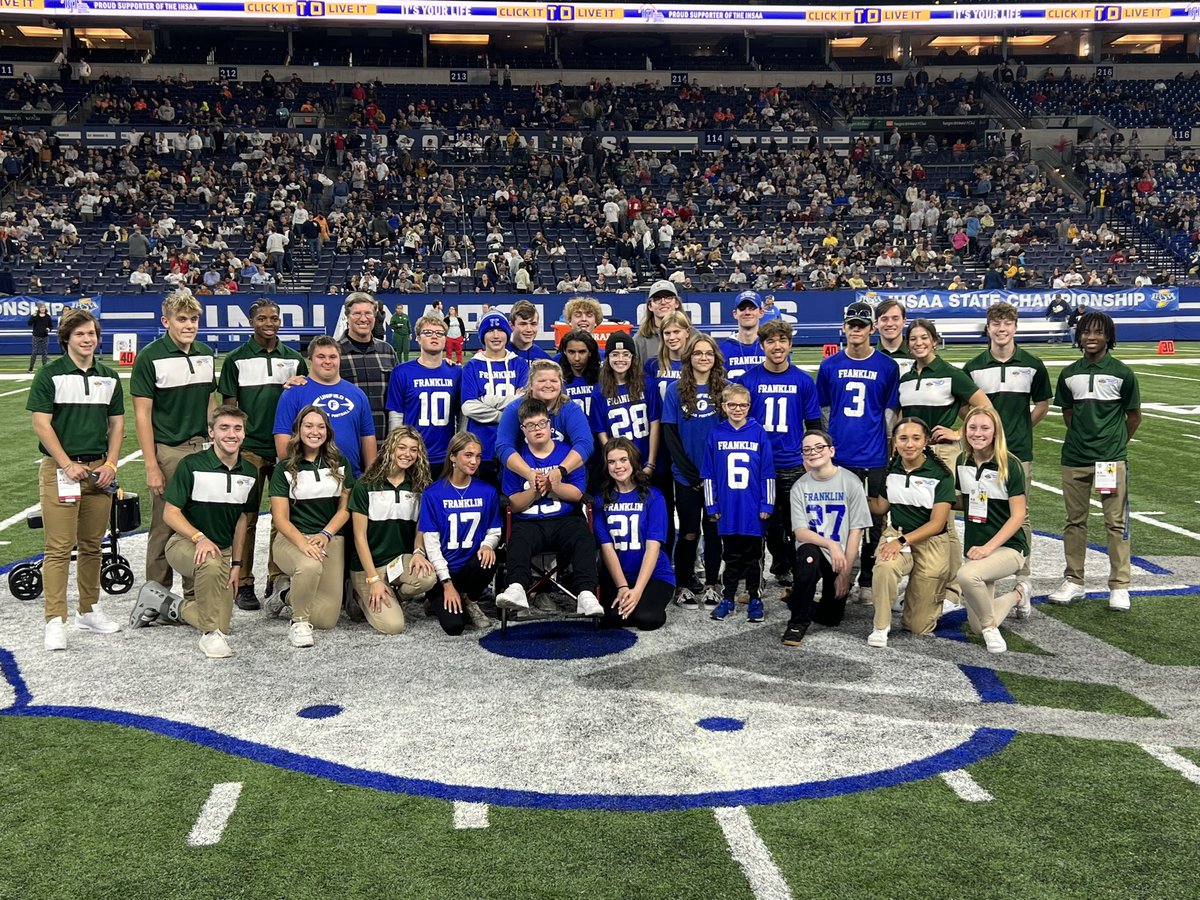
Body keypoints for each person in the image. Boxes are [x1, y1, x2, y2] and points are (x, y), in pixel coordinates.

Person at [27, 307, 125, 650]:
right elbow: (42, 424)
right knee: (57, 548)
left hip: (98, 472)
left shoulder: (109, 376)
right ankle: (55, 619)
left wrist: (111, 463)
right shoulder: (50, 375)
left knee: (92, 546)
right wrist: (66, 463)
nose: (88, 339)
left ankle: (89, 609)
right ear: (66, 338)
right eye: (80, 334)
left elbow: (116, 425)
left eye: (92, 334)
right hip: (61, 472)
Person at [129, 406, 260, 659]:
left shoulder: (249, 472)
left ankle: (164, 602)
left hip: (222, 551)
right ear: (211, 433)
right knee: (209, 567)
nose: (231, 434)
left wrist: (236, 564)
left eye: (237, 428)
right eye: (224, 428)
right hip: (184, 544)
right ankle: (208, 636)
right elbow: (170, 513)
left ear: (244, 434)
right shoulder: (192, 464)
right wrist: (198, 537)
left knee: (224, 623)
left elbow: (242, 520)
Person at [217, 298, 308, 611]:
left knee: (281, 518)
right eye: (262, 319)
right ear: (251, 322)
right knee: (247, 517)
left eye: (274, 318)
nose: (269, 323)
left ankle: (275, 576)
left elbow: (305, 404)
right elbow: (229, 408)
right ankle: (243, 582)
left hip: (287, 450)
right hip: (251, 450)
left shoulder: (295, 359)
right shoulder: (236, 359)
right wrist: (234, 447)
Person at [1048, 311, 1141, 610]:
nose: (1091, 337)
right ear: (1079, 335)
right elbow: (1068, 415)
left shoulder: (1123, 373)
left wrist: (1112, 444)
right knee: (1074, 522)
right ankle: (1074, 581)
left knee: (1115, 523)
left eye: (1098, 332)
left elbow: (1133, 417)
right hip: (1074, 457)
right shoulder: (1068, 373)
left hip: (1109, 460)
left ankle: (1120, 585)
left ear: (1108, 337)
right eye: (1086, 331)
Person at [898, 318, 990, 606]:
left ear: (934, 341)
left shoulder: (951, 373)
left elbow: (985, 407)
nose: (918, 343)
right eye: (913, 339)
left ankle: (951, 590)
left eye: (924, 337)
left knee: (944, 521)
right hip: (912, 454)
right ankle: (922, 584)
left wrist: (959, 432)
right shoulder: (906, 377)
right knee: (919, 518)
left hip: (941, 454)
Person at [131, 291, 216, 591]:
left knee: (199, 521)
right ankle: (157, 592)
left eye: (193, 319)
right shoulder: (150, 357)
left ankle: (194, 591)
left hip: (202, 448)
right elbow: (142, 415)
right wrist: (151, 465)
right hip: (169, 449)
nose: (189, 325)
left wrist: (218, 439)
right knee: (165, 524)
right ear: (166, 321)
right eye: (182, 319)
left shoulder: (205, 352)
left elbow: (209, 400)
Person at [816, 301, 900, 607]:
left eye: (861, 325)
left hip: (874, 455)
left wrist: (887, 443)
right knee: (837, 520)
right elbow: (825, 411)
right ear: (844, 328)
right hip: (841, 456)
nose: (856, 329)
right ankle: (841, 574)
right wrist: (830, 447)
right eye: (851, 324)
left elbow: (890, 410)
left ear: (872, 329)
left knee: (875, 520)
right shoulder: (829, 366)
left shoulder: (887, 366)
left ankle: (867, 578)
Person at [963, 302, 1051, 579]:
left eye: (1007, 323)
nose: (1002, 329)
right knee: (977, 509)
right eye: (996, 324)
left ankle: (1023, 580)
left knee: (1020, 516)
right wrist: (980, 434)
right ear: (988, 328)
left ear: (1015, 326)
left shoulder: (1032, 365)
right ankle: (977, 569)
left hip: (1018, 451)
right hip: (982, 454)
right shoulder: (974, 367)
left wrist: (1022, 428)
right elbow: (965, 409)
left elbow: (1042, 404)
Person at [495, 398, 603, 616]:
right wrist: (534, 491)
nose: (537, 429)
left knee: (583, 536)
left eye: (542, 423)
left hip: (564, 519)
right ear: (523, 430)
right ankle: (516, 588)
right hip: (529, 521)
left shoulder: (568, 455)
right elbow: (513, 505)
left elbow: (577, 494)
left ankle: (586, 594)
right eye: (531, 425)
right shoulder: (517, 460)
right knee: (517, 540)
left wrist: (553, 485)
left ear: (550, 425)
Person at [741, 318, 822, 589]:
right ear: (762, 345)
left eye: (782, 340)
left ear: (790, 343)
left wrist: (813, 460)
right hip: (761, 465)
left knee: (795, 522)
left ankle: (795, 569)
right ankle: (774, 567)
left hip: (793, 464)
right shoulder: (749, 380)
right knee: (767, 523)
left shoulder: (802, 380)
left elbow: (813, 425)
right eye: (771, 341)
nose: (777, 346)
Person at [866, 417, 955, 647]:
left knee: (918, 627)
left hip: (931, 542)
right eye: (903, 438)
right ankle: (881, 625)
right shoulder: (892, 467)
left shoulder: (941, 474)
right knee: (885, 566)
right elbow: (880, 508)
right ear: (894, 441)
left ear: (926, 442)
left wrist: (901, 541)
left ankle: (924, 599)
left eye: (916, 438)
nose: (909, 444)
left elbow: (937, 524)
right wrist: (855, 492)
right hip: (897, 533)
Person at [268, 405, 353, 647]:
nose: (314, 431)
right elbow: (281, 519)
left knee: (326, 619)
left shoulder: (341, 462)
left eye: (320, 426)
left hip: (330, 538)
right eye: (308, 426)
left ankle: (285, 594)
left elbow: (344, 509)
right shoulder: (284, 468)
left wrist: (325, 534)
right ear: (298, 430)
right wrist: (304, 543)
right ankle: (299, 622)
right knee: (309, 564)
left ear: (328, 431)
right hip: (293, 538)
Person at [954, 406, 1033, 653]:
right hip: (976, 548)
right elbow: (963, 500)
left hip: (1008, 547)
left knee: (967, 576)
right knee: (974, 625)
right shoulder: (962, 460)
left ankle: (991, 630)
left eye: (984, 428)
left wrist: (990, 547)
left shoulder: (1010, 464)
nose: (978, 433)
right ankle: (1019, 594)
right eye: (972, 427)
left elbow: (1019, 514)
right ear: (965, 430)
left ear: (996, 431)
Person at [784, 430, 872, 647]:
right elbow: (801, 532)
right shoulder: (800, 487)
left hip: (841, 556)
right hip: (815, 546)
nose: (813, 452)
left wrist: (845, 572)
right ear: (803, 456)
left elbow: (856, 531)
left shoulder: (851, 482)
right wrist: (830, 543)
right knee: (808, 560)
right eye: (807, 449)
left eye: (818, 447)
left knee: (831, 618)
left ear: (831, 450)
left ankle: (797, 598)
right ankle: (797, 623)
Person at [348, 426, 439, 632]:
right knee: (393, 626)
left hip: (397, 562)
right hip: (367, 567)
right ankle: (356, 593)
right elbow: (359, 537)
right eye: (402, 447)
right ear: (390, 448)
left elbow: (420, 529)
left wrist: (418, 552)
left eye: (413, 450)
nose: (407, 454)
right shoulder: (366, 485)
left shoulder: (419, 486)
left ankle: (394, 595)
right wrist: (373, 580)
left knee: (427, 576)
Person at [662, 332, 727, 609]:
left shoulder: (725, 389)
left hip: (717, 475)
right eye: (698, 353)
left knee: (713, 530)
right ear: (689, 358)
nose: (703, 357)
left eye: (708, 353)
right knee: (688, 532)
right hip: (686, 476)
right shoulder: (676, 391)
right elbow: (670, 434)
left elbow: (729, 434)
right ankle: (683, 583)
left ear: (715, 358)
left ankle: (713, 583)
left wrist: (711, 473)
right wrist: (692, 474)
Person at [702, 384, 775, 623]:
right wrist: (712, 506)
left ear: (749, 406)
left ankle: (755, 598)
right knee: (730, 557)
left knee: (753, 557)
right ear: (723, 406)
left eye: (742, 405)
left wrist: (767, 505)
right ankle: (728, 598)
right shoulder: (716, 433)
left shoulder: (758, 432)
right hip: (728, 508)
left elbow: (767, 472)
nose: (737, 409)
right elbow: (709, 474)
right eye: (732, 404)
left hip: (753, 509)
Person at [417, 432, 502, 635]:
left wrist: (488, 544)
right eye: (468, 455)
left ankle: (470, 600)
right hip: (442, 572)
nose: (474, 461)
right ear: (453, 457)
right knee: (455, 627)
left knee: (489, 557)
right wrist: (446, 584)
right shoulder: (433, 493)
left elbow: (494, 529)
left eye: (478, 456)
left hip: (470, 568)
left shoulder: (487, 491)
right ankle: (436, 600)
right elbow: (431, 544)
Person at [594, 438, 674, 631]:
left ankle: (645, 601)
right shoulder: (600, 500)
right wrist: (622, 587)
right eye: (612, 462)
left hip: (655, 575)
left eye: (623, 459)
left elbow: (653, 548)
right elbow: (606, 548)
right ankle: (631, 600)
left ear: (633, 461)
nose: (618, 466)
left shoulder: (654, 496)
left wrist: (637, 591)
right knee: (610, 618)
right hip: (617, 575)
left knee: (647, 619)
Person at [273, 336, 376, 478]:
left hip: (350, 478)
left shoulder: (357, 394)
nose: (327, 361)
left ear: (340, 358)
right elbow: (283, 437)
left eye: (333, 357)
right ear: (310, 359)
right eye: (321, 357)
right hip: (309, 480)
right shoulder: (293, 392)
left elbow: (367, 437)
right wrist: (294, 474)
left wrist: (371, 476)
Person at [495, 359, 593, 487]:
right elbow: (503, 446)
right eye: (541, 381)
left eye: (553, 381)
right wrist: (529, 474)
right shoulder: (515, 409)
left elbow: (585, 444)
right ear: (531, 384)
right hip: (522, 478)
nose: (548, 385)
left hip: (564, 477)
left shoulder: (570, 409)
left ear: (561, 384)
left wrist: (560, 471)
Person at [461, 312, 529, 485]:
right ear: (483, 336)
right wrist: (504, 414)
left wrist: (485, 400)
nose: (496, 335)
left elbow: (524, 402)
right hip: (480, 446)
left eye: (500, 330)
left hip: (516, 443)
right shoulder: (472, 366)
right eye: (490, 331)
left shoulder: (520, 364)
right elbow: (468, 407)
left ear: (508, 333)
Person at [386, 314, 462, 466]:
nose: (434, 336)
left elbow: (462, 415)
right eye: (427, 332)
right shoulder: (402, 372)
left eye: (439, 333)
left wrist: (459, 449)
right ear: (418, 338)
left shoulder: (457, 373)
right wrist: (396, 451)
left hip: (445, 456)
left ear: (445, 339)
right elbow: (396, 416)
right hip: (412, 456)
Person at [591, 330, 660, 479]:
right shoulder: (599, 392)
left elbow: (654, 424)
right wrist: (617, 464)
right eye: (615, 354)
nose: (620, 359)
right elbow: (601, 433)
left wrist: (650, 464)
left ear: (633, 358)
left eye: (625, 354)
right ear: (607, 358)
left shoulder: (647, 384)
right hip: (618, 467)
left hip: (646, 458)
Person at [340, 292, 398, 441]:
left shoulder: (387, 351)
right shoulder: (334, 353)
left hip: (384, 439)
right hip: (347, 441)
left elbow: (399, 393)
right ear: (347, 316)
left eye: (368, 313)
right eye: (357, 314)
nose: (363, 319)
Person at [719, 290, 766, 380]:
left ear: (761, 313)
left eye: (752, 308)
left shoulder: (772, 347)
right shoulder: (721, 350)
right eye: (742, 308)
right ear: (735, 314)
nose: (747, 312)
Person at [634, 280, 683, 362]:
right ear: (650, 306)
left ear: (677, 303)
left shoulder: (693, 336)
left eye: (668, 297)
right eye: (657, 298)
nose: (663, 302)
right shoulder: (639, 341)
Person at [558, 329, 601, 417]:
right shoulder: (557, 381)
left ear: (590, 352)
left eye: (582, 352)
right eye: (571, 352)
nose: (577, 358)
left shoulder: (603, 379)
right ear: (565, 352)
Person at [874, 299, 915, 376]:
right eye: (884, 319)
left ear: (904, 321)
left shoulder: (918, 354)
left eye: (895, 318)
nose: (889, 323)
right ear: (876, 323)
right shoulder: (868, 357)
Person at [27, 302, 53, 372]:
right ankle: (31, 368)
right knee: (34, 352)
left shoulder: (48, 316)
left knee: (44, 352)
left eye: (44, 307)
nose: (42, 308)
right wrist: (32, 316)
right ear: (39, 309)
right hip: (36, 336)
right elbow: (29, 323)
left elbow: (51, 326)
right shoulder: (35, 316)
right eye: (41, 307)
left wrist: (49, 329)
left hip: (45, 336)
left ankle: (45, 368)